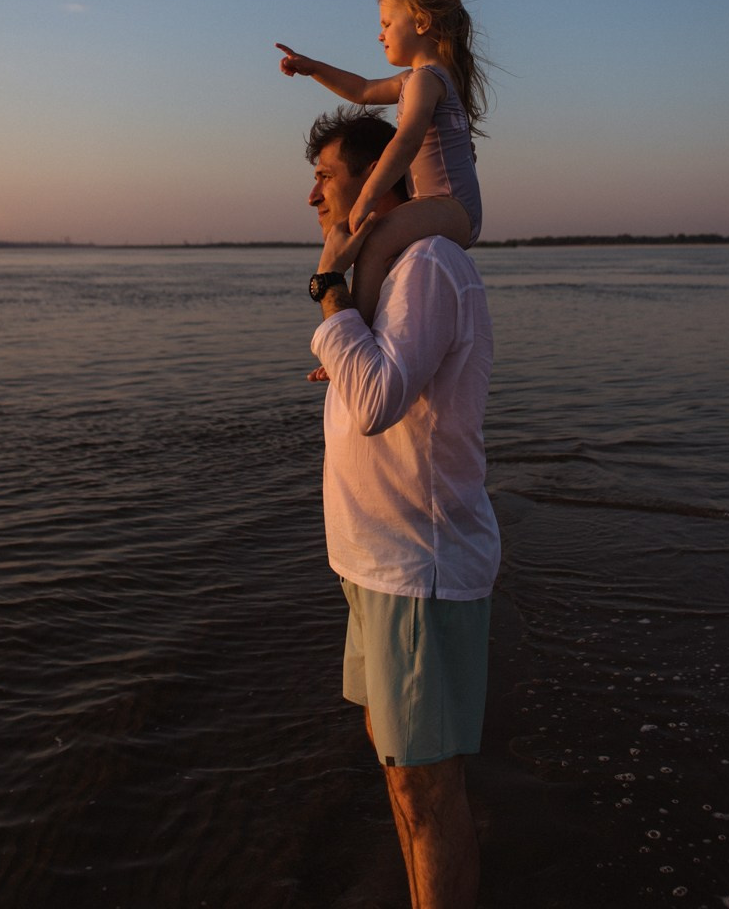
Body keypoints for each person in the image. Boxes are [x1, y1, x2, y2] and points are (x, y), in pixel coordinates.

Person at [303, 104, 500, 909]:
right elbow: (382, 381)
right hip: (369, 562)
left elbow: (380, 399)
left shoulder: (426, 265)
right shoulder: (391, 273)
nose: (312, 199)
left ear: (375, 182)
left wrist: (328, 300)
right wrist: (349, 332)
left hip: (416, 568)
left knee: (426, 791)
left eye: (324, 179)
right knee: (393, 761)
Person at [278, 0, 490, 323]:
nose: (380, 35)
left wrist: (365, 200)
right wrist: (313, 68)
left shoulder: (427, 80)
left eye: (387, 24)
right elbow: (361, 90)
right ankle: (365, 330)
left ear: (421, 22)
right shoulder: (414, 79)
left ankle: (354, 334)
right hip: (442, 204)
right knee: (381, 244)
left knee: (373, 239)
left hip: (451, 205)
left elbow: (405, 142)